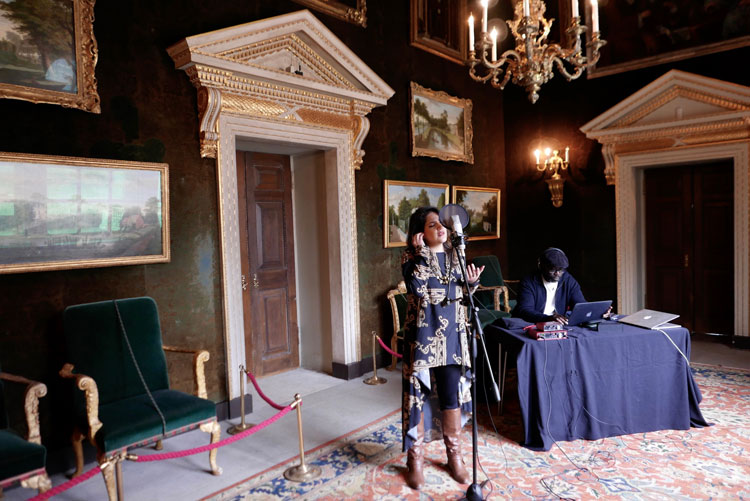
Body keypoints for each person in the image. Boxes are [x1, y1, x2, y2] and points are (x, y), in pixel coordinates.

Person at [400, 206, 484, 490]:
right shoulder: (411, 258)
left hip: (453, 338)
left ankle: (455, 457)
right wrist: (421, 254)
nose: (441, 229)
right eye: (432, 225)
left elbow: (460, 293)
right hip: (422, 338)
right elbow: (417, 288)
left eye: (441, 224)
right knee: (417, 399)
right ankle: (416, 461)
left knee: (451, 396)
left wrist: (470, 284)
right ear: (419, 234)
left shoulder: (455, 256)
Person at [513, 247, 585, 324]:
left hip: (557, 324)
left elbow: (580, 305)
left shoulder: (568, 280)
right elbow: (525, 310)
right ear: (541, 266)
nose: (557, 273)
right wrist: (548, 318)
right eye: (552, 269)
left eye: (561, 270)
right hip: (531, 323)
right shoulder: (528, 281)